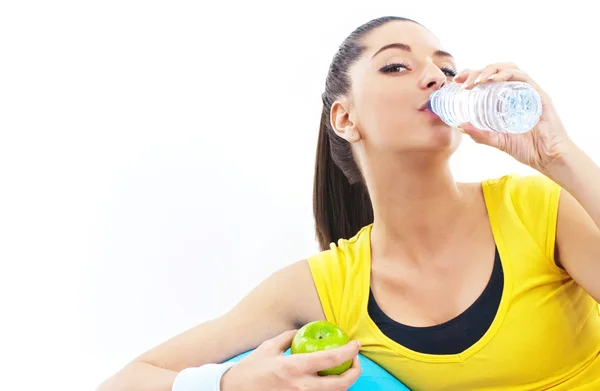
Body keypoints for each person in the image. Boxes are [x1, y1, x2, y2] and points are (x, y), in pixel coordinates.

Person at [96, 16, 600, 391]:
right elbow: (125, 381)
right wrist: (230, 384)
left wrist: (559, 155)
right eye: (397, 65)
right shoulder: (326, 286)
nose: (435, 78)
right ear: (344, 117)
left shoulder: (535, 209)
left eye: (445, 68)